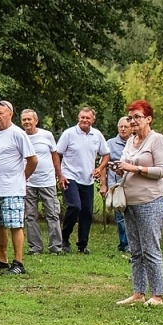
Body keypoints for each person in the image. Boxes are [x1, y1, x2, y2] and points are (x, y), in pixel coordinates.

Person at [114, 101, 163, 306]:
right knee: (135, 249)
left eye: (137, 117)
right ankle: (138, 292)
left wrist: (133, 168)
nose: (133, 121)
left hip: (152, 199)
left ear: (148, 119)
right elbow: (127, 164)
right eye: (130, 117)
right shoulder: (131, 141)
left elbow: (162, 171)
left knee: (150, 248)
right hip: (130, 201)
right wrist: (120, 169)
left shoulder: (157, 140)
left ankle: (157, 295)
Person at [0, 100, 36, 274]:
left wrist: (22, 177)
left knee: (14, 224)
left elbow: (32, 160)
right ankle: (2, 259)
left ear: (10, 114)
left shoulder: (18, 134)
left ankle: (18, 262)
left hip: (11, 188)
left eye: (0, 113)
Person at [55, 106, 108, 254]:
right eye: (82, 117)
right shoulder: (69, 134)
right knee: (75, 207)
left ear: (93, 119)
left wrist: (100, 167)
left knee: (87, 213)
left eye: (88, 118)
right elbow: (57, 153)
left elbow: (106, 154)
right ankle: (64, 238)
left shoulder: (97, 135)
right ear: (78, 118)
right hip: (70, 176)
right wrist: (60, 175)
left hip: (88, 179)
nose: (85, 120)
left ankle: (82, 245)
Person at [20, 109, 62, 254]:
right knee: (30, 216)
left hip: (47, 181)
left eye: (29, 119)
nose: (26, 122)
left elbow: (55, 155)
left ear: (35, 121)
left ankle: (56, 247)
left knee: (52, 214)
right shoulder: (20, 136)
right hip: (28, 182)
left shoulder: (47, 135)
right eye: (24, 120)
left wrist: (59, 175)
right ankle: (35, 247)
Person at [104, 115, 132, 253]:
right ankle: (124, 243)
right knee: (120, 215)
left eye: (126, 127)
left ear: (131, 128)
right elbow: (103, 164)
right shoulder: (110, 143)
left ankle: (128, 243)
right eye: (120, 126)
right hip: (116, 184)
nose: (122, 129)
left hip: (132, 184)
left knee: (132, 214)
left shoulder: (135, 142)